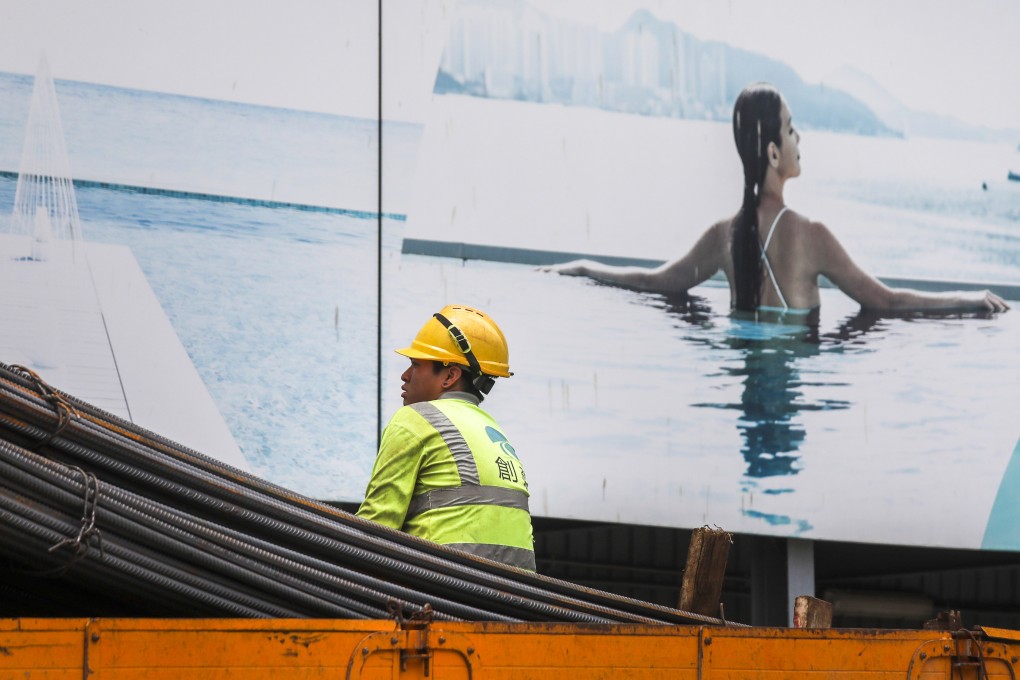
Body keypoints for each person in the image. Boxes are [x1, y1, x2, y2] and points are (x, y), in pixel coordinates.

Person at [542, 82, 1009, 316]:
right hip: (793, 380)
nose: (798, 136)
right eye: (790, 128)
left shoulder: (722, 236)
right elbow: (886, 302)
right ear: (772, 152)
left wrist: (583, 267)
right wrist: (965, 301)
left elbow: (652, 283)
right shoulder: (813, 237)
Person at [357, 304, 536, 571]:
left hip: (439, 590)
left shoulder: (415, 418)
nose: (405, 376)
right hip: (517, 600)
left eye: (416, 365)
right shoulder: (493, 430)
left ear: (450, 375)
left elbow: (375, 527)